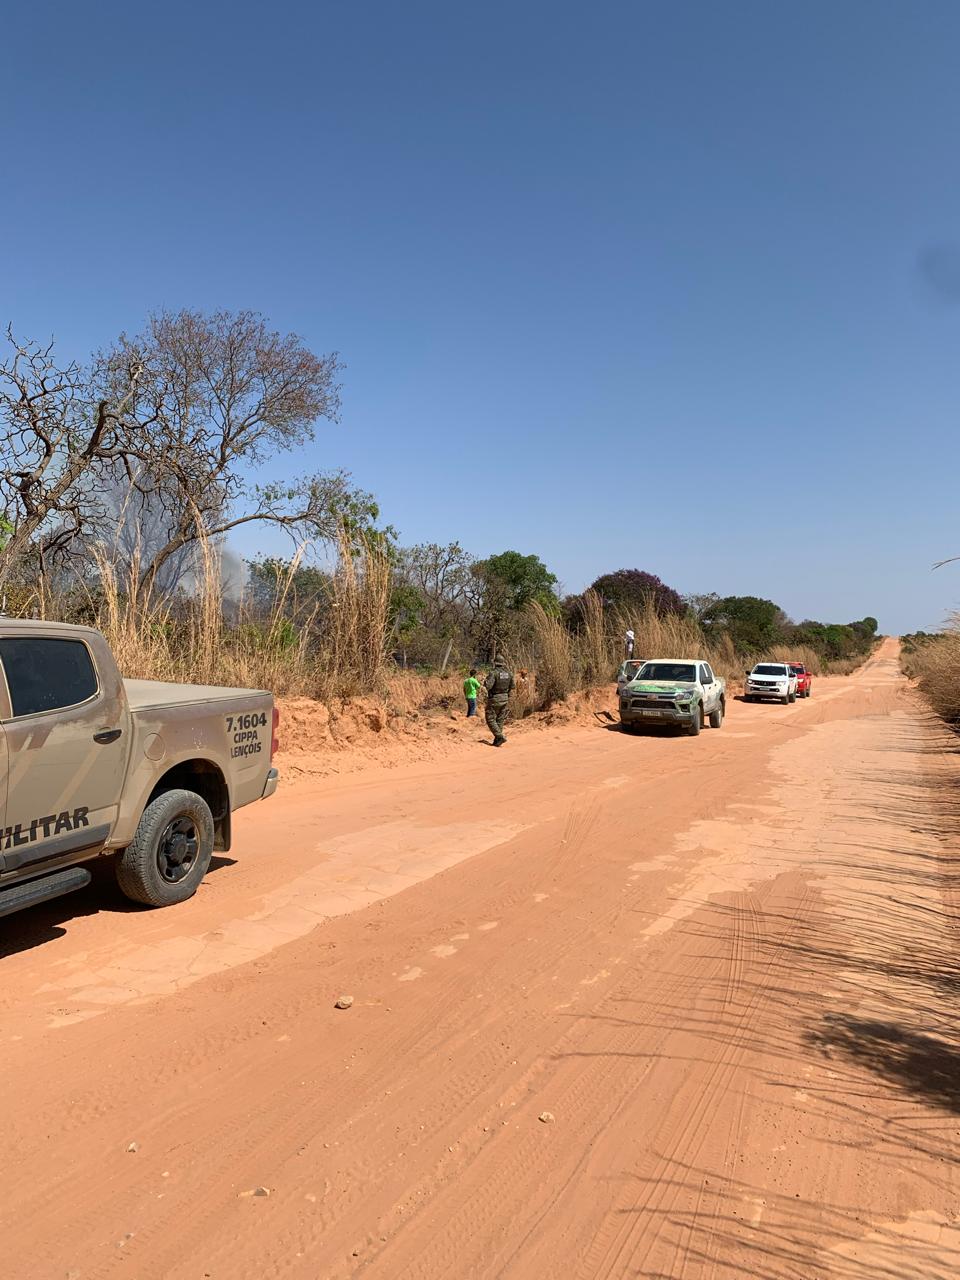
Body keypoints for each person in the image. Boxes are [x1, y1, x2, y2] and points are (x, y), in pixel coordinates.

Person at [484, 654, 515, 746]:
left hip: (495, 698)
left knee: (490, 718)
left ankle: (500, 736)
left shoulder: (493, 673)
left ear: (495, 663)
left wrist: (485, 682)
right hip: (505, 698)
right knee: (500, 720)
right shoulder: (509, 673)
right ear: (503, 663)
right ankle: (497, 741)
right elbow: (513, 686)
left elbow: (488, 686)